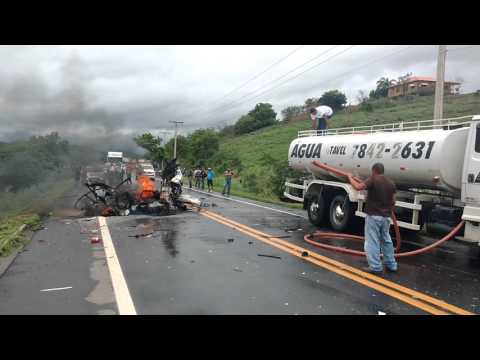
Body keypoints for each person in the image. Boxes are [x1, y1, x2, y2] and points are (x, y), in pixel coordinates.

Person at [347, 163, 398, 274]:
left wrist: (350, 178)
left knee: (372, 241)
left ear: (374, 170)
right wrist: (389, 212)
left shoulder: (373, 179)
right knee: (386, 240)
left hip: (374, 216)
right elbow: (394, 201)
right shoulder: (391, 183)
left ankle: (375, 267)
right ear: (382, 171)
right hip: (386, 217)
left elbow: (358, 187)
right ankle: (391, 265)